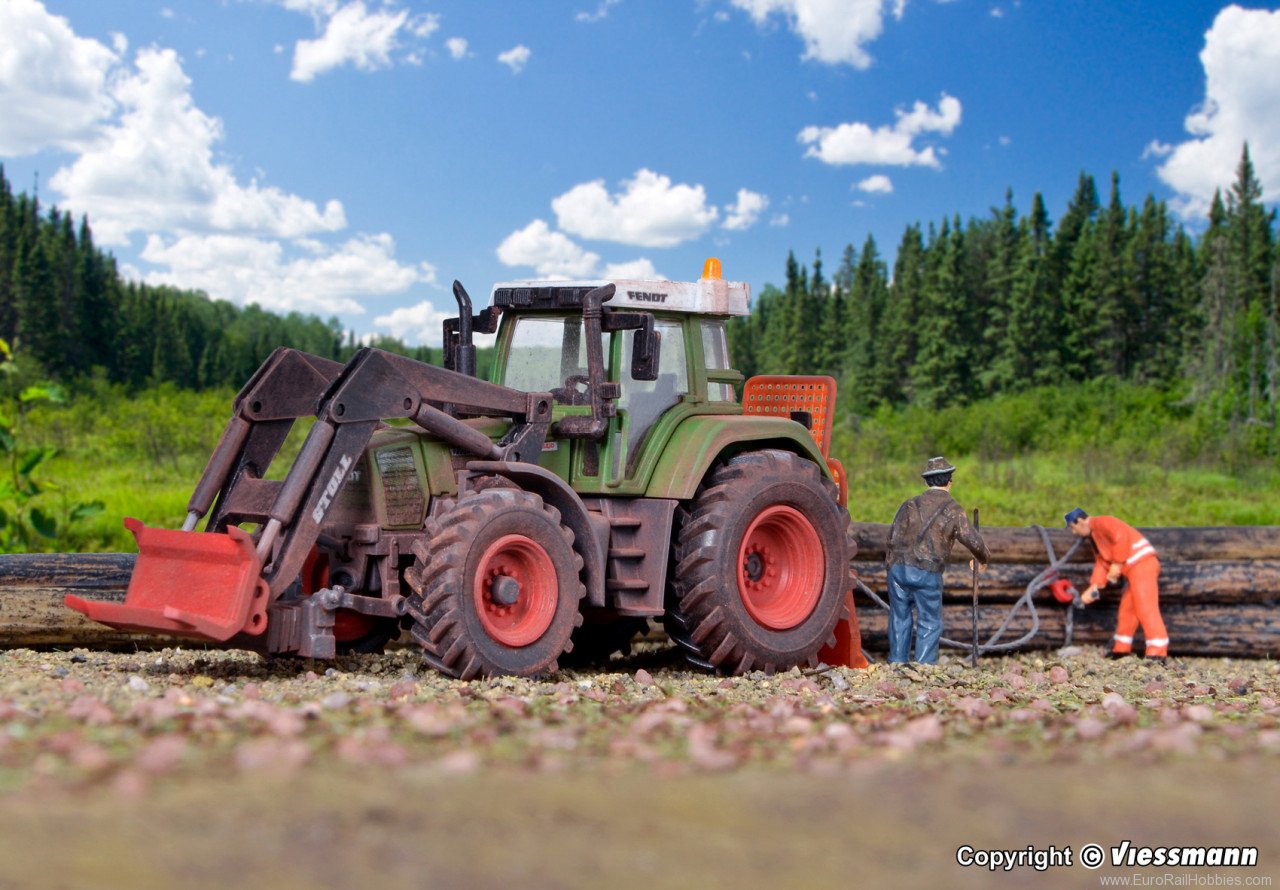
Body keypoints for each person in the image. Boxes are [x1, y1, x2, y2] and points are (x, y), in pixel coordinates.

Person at [885, 457, 989, 664]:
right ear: (950, 482)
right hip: (926, 572)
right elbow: (973, 541)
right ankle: (924, 665)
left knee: (899, 617)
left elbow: (892, 537)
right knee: (929, 620)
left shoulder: (909, 504)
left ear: (927, 482)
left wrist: (891, 566)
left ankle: (896, 662)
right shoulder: (953, 509)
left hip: (897, 569)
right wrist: (983, 558)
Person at [1065, 508, 1169, 660]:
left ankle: (1158, 652)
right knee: (1127, 610)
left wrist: (1117, 564)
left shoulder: (1103, 522)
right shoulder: (1095, 537)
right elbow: (1102, 563)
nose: (1074, 533)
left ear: (1080, 522)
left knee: (1146, 608)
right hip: (1133, 570)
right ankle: (1121, 648)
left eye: (1073, 528)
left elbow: (1121, 536)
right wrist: (1094, 586)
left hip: (1142, 564)